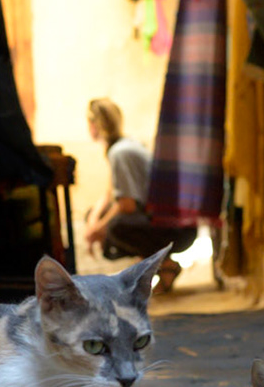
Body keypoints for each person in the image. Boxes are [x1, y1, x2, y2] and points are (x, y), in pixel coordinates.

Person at [83, 98, 195, 294]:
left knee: (117, 227)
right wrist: (93, 222)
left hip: (178, 228)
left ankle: (165, 265)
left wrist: (98, 229)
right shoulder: (123, 146)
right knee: (98, 217)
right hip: (168, 222)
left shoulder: (120, 152)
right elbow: (111, 193)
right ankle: (153, 262)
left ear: (94, 125)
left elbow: (127, 205)